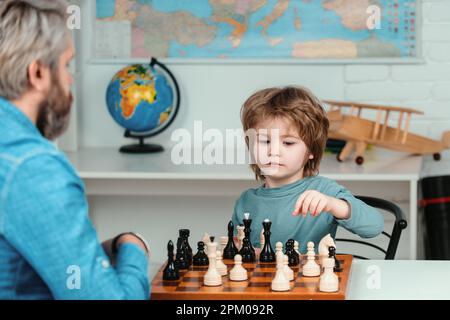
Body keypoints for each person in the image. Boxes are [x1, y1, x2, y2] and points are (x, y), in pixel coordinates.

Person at [0, 0, 150, 299]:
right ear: (38, 73)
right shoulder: (34, 168)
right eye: (66, 64)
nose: (70, 79)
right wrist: (134, 247)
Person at [232, 86, 384, 252]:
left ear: (311, 150)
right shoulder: (246, 202)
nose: (273, 151)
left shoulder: (324, 192)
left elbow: (374, 227)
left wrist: (333, 205)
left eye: (288, 143)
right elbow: (236, 252)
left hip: (311, 277)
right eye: (265, 141)